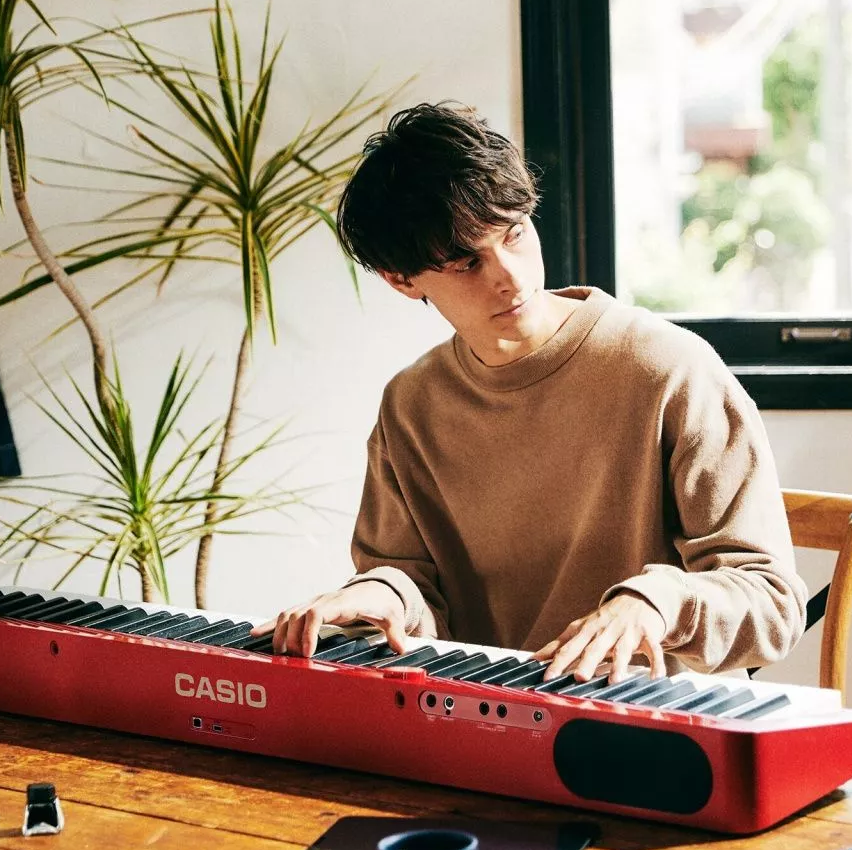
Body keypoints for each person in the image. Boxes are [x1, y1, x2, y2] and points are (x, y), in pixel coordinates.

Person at [264, 101, 806, 688]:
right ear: (401, 279)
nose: (510, 276)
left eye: (514, 233)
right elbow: (412, 583)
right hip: (486, 716)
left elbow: (772, 605)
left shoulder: (670, 371)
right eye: (467, 263)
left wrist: (658, 602)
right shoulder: (411, 406)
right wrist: (380, 594)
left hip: (652, 716)